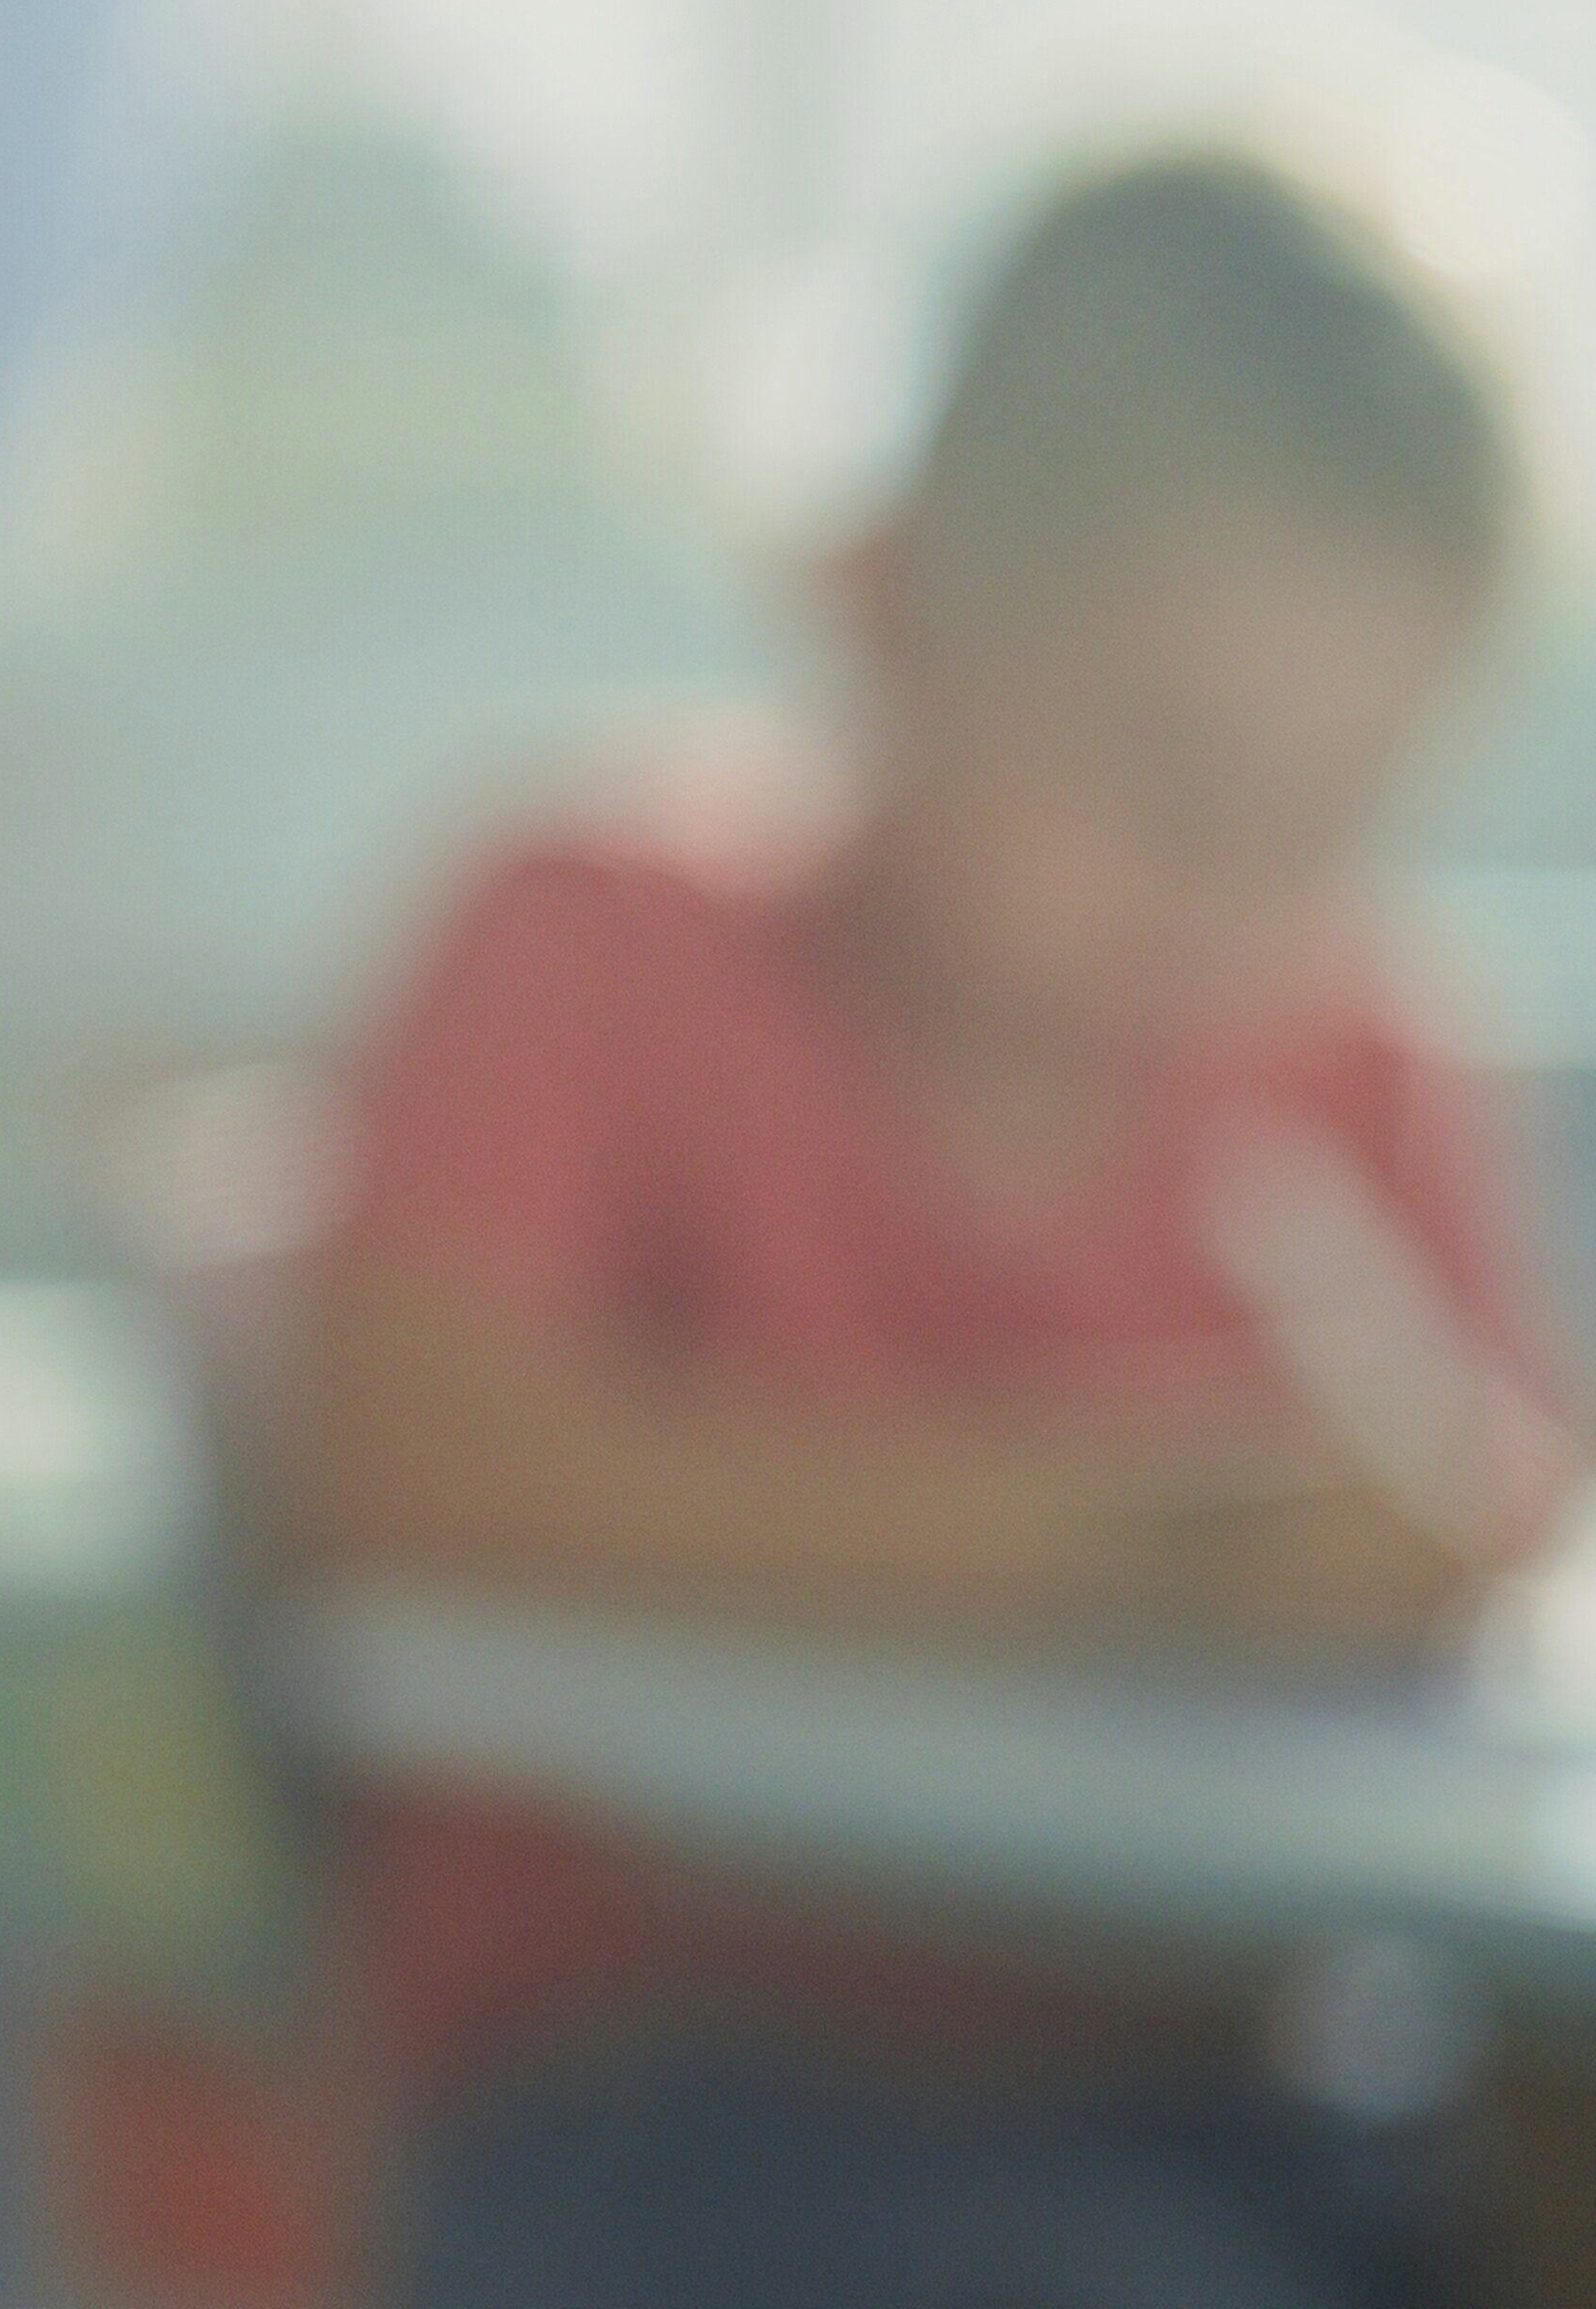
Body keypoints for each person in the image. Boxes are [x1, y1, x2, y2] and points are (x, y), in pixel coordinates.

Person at [289, 141, 1581, 2309]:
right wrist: (1155, 1545)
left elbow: (1473, 1547)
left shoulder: (1356, 1059)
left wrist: (1433, 1545)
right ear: (878, 602)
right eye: (1159, 776)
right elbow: (409, 1472)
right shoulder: (587, 935)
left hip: (1255, 2089)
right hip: (673, 2104)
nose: (1230, 894)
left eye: (1333, 816)